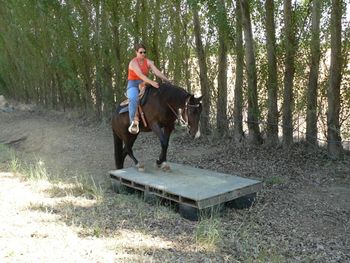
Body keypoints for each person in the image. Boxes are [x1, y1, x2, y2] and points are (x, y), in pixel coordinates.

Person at [127, 43, 170, 134]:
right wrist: (152, 82)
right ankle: (133, 122)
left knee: (156, 94)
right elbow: (140, 75)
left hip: (144, 83)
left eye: (144, 52)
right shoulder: (133, 63)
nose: (143, 54)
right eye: (141, 52)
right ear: (136, 52)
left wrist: (167, 80)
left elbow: (157, 72)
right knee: (133, 98)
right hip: (133, 84)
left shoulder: (148, 62)